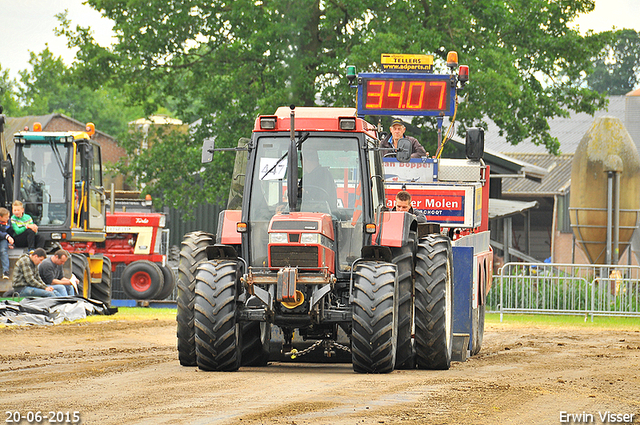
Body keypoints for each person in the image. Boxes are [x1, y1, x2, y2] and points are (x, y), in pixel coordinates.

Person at [0, 207, 14, 280]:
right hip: (4, 237)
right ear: (0, 217)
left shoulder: (8, 222)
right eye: (6, 217)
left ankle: (6, 271)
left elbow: (11, 232)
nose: (8, 219)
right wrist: (7, 236)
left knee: (3, 251)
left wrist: (10, 243)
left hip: (4, 240)